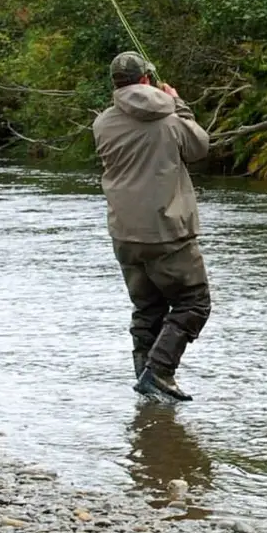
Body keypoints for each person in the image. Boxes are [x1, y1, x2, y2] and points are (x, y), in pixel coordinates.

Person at [93, 51, 211, 403]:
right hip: (167, 232)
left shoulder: (102, 123)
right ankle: (159, 372)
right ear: (146, 79)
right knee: (194, 303)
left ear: (116, 84)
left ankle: (147, 391)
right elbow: (201, 147)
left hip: (124, 233)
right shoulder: (172, 119)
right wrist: (179, 105)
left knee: (148, 310)